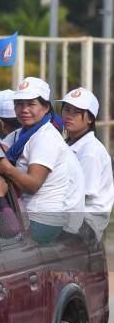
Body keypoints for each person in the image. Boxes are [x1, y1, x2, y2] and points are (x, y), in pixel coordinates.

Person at [0, 77, 70, 244]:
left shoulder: (45, 137)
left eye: (31, 104)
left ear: (46, 107)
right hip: (26, 213)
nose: (23, 109)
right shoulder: (21, 134)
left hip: (42, 220)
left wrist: (7, 169)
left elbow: (32, 185)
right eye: (19, 104)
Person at [60, 87, 114, 240]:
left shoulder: (90, 151)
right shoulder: (70, 143)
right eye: (66, 109)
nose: (69, 116)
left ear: (90, 118)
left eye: (76, 112)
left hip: (86, 224)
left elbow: (80, 195)